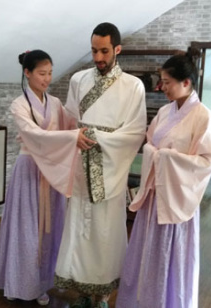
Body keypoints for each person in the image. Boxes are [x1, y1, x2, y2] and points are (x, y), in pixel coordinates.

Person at [54, 22, 147, 308]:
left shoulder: (134, 86)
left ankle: (103, 294)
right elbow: (69, 121)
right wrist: (74, 137)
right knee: (80, 228)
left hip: (110, 169)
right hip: (81, 167)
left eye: (104, 51)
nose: (98, 58)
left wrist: (95, 137)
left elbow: (135, 133)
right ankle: (81, 291)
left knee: (106, 232)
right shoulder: (78, 80)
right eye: (94, 51)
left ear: (117, 49)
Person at [115, 48, 211, 308]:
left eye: (168, 83)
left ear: (186, 82)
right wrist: (155, 154)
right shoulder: (164, 112)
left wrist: (167, 158)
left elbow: (207, 161)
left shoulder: (203, 116)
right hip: (153, 197)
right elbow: (150, 142)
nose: (162, 88)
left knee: (170, 259)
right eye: (161, 82)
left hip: (177, 199)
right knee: (146, 255)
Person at [0, 49, 82, 306]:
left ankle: (45, 281)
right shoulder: (19, 105)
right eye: (42, 74)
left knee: (50, 227)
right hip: (30, 170)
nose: (47, 79)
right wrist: (72, 137)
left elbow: (72, 124)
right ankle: (22, 282)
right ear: (27, 73)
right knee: (27, 228)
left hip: (52, 172)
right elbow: (35, 135)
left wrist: (83, 127)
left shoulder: (54, 103)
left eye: (50, 74)